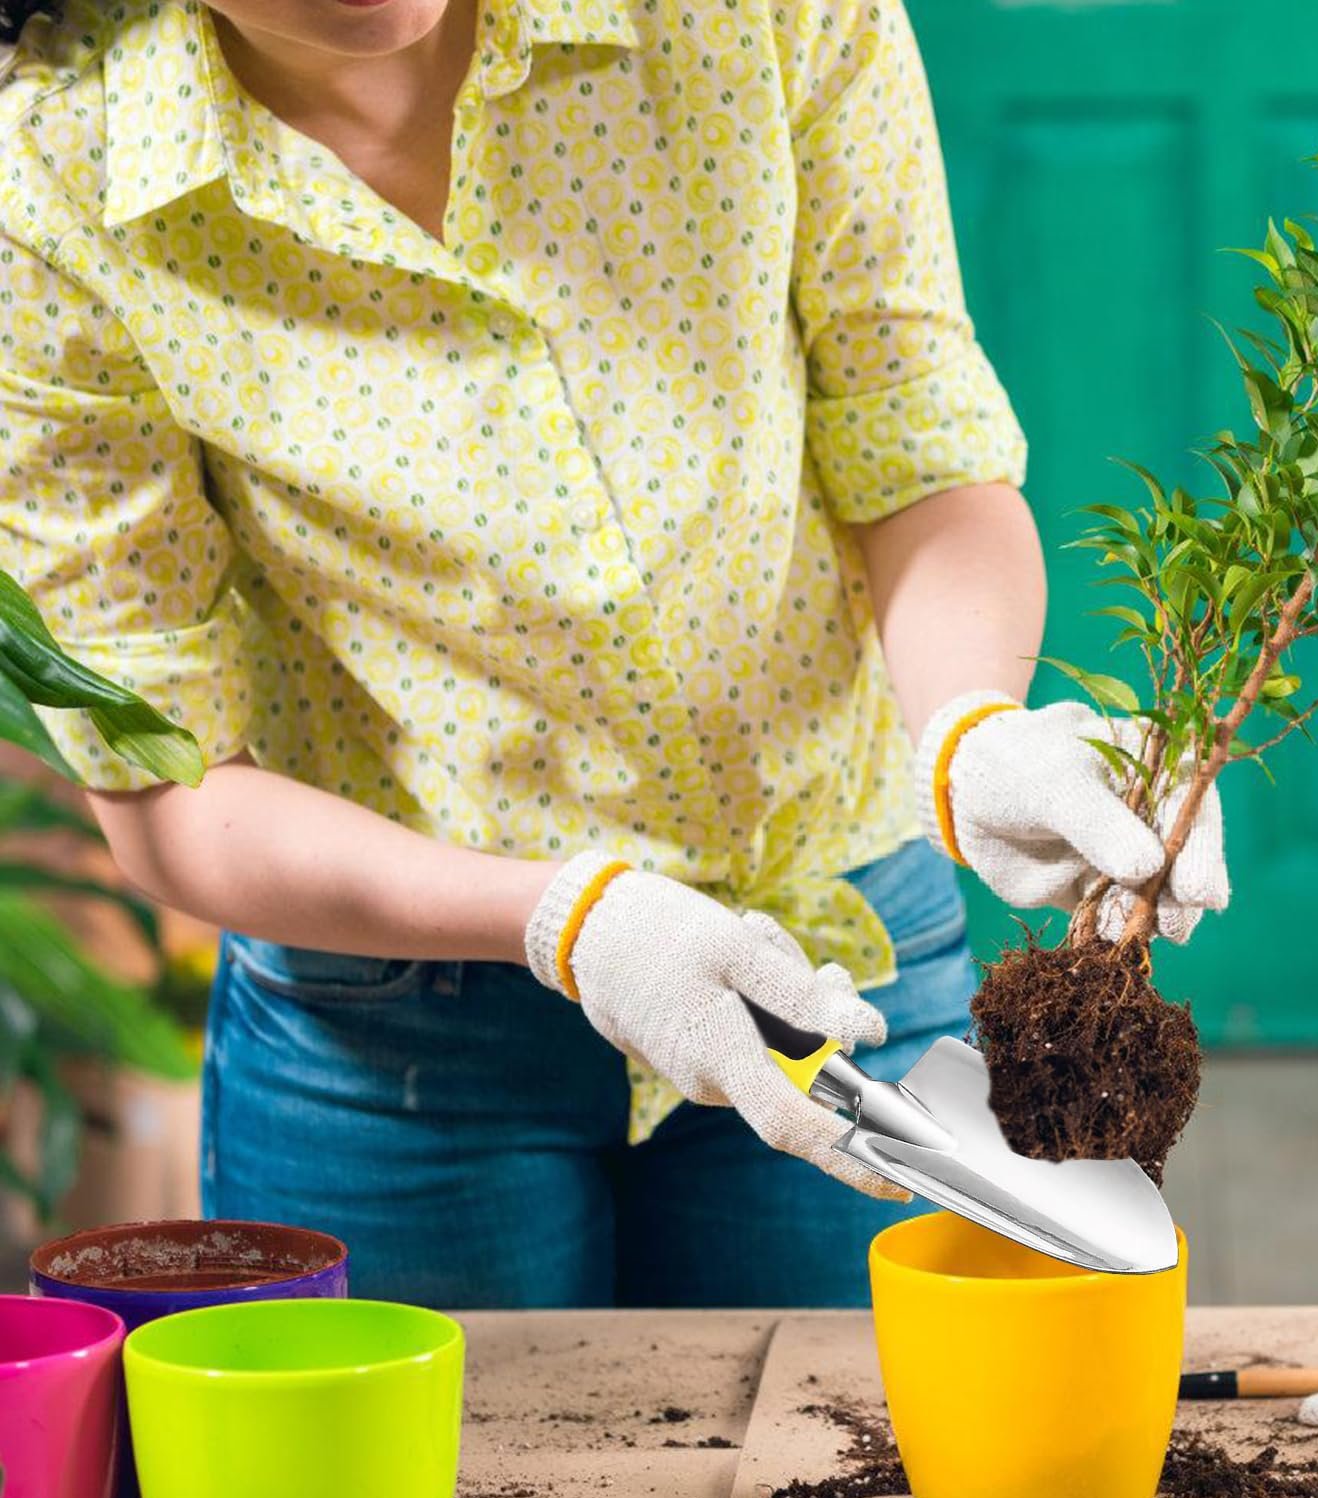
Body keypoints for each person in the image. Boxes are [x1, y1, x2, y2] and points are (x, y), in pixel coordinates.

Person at [0, 0, 1228, 1309]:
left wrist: (973, 728)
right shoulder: (55, 183)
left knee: (856, 1487)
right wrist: (569, 922)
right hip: (396, 1057)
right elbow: (171, 786)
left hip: (833, 964)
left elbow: (916, 449)